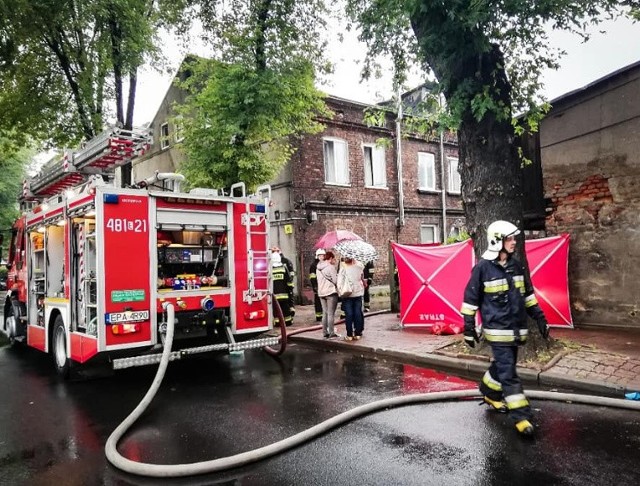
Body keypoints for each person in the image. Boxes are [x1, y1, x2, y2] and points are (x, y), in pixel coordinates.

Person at [460, 220, 550, 436]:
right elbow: (470, 300)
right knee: (509, 372)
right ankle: (521, 417)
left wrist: (540, 318)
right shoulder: (482, 268)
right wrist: (469, 329)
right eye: (509, 238)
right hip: (497, 331)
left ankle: (489, 391)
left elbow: (527, 295)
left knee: (502, 366)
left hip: (516, 329)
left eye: (513, 238)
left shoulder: (516, 265)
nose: (514, 242)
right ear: (496, 241)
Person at [338, 257, 365, 341]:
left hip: (348, 294)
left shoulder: (343, 269)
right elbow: (362, 278)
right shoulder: (359, 267)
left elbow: (339, 282)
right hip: (358, 293)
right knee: (358, 313)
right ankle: (358, 333)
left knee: (349, 314)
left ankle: (349, 335)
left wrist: (340, 292)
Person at [316, 251, 340, 339]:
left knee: (325, 313)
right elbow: (335, 281)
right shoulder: (330, 267)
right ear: (330, 259)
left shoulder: (318, 268)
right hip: (330, 292)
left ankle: (324, 332)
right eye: (334, 259)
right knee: (330, 314)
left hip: (321, 293)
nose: (335, 261)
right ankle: (332, 332)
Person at [272, 246, 295, 319]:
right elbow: (289, 280)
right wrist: (290, 288)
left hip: (274, 295)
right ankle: (288, 320)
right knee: (285, 308)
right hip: (284, 294)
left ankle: (277, 322)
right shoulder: (283, 268)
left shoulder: (270, 269)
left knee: (276, 310)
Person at [309, 248, 325, 322]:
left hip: (324, 285)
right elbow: (312, 277)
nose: (322, 257)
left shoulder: (325, 264)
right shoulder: (313, 265)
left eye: (323, 256)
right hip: (318, 286)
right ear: (317, 256)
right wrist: (315, 286)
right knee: (318, 301)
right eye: (320, 256)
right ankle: (319, 316)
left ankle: (324, 315)